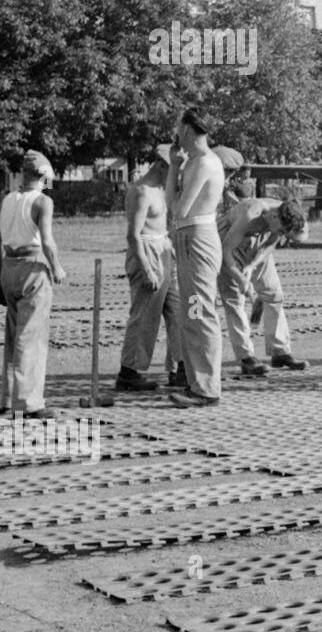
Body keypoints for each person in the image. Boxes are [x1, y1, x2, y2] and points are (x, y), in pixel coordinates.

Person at [0, 150, 65, 419]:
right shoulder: (43, 202)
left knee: (13, 337)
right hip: (32, 267)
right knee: (32, 338)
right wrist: (57, 267)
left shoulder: (7, 200)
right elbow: (47, 240)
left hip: (9, 266)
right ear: (44, 175)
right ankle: (29, 402)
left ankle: (7, 398)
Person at [167, 109, 225, 408]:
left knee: (199, 311)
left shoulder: (204, 163)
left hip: (197, 239)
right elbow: (172, 204)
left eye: (179, 126)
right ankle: (197, 382)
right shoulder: (191, 163)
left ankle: (206, 386)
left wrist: (177, 170)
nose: (176, 133)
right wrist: (173, 167)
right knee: (191, 312)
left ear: (188, 129)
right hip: (189, 238)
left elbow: (179, 209)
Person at [219, 196, 310, 377]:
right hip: (229, 244)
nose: (283, 235)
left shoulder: (286, 214)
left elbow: (272, 242)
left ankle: (280, 351)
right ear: (274, 217)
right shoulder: (250, 212)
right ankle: (246, 358)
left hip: (258, 247)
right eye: (282, 231)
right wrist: (240, 277)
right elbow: (225, 250)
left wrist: (252, 265)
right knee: (235, 300)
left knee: (274, 294)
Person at [116, 150, 182, 393]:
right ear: (162, 166)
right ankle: (129, 372)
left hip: (165, 250)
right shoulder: (142, 191)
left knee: (179, 311)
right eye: (174, 169)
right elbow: (133, 235)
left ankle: (180, 368)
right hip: (146, 252)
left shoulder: (164, 190)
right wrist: (146, 269)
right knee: (145, 316)